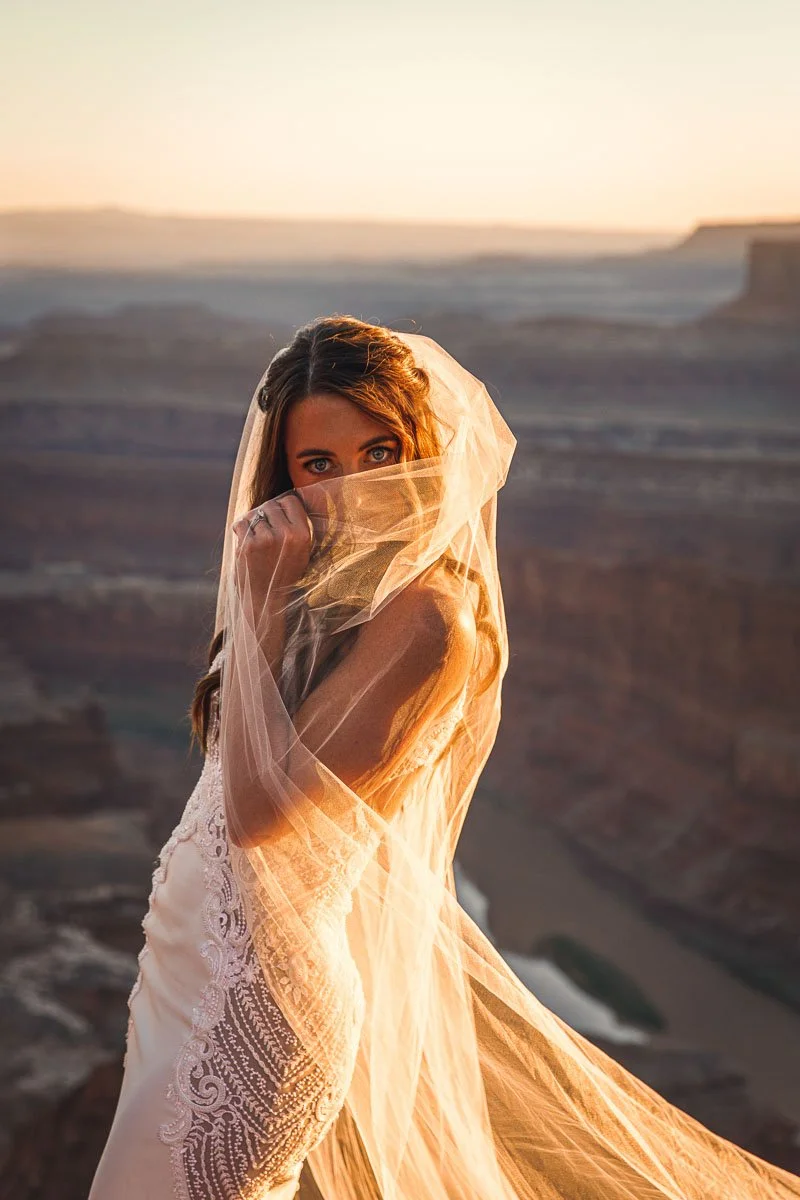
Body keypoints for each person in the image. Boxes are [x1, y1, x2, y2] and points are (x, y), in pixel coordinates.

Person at [89, 316, 800, 1200]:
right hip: (186, 988)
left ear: (422, 453)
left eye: (380, 452)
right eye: (319, 464)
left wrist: (261, 602)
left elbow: (259, 819)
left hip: (249, 1015)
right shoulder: (336, 597)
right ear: (284, 473)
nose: (353, 490)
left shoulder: (427, 620)